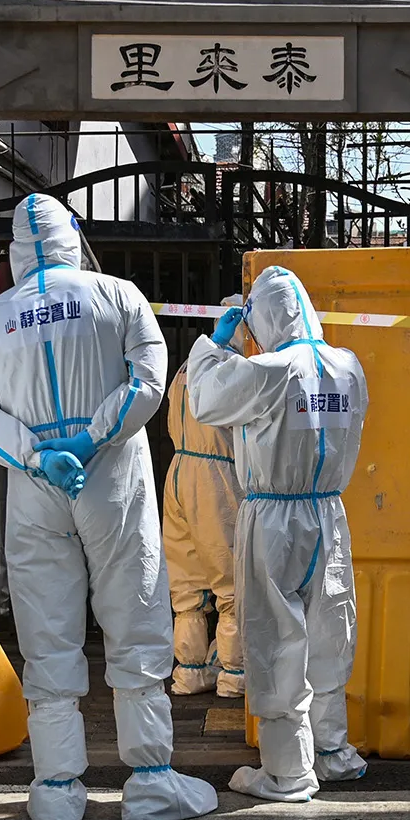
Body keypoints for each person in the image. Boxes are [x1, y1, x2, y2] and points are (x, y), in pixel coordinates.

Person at [0, 194, 218, 820]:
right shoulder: (118, 295)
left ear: (15, 247)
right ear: (73, 233)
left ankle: (55, 793)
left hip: (34, 487)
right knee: (134, 618)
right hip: (112, 476)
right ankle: (152, 782)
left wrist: (41, 457)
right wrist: (86, 440)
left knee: (48, 633)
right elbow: (148, 384)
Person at [185, 265, 371, 801]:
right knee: (329, 629)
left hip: (272, 517)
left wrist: (213, 348)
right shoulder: (347, 366)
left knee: (275, 636)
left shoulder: (269, 369)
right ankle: (332, 750)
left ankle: (288, 770)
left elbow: (207, 400)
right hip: (328, 512)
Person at [162, 293, 248, 698]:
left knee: (187, 583)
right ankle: (234, 673)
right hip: (215, 474)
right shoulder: (229, 367)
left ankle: (190, 671)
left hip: (178, 472)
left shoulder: (185, 367)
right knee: (231, 580)